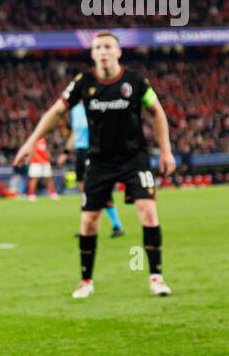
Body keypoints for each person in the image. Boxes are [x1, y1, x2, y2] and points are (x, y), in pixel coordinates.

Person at [15, 32, 175, 298]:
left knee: (148, 212)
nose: (103, 51)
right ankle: (85, 281)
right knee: (88, 221)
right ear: (92, 54)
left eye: (108, 47)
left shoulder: (135, 81)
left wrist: (166, 151)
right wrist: (31, 141)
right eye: (98, 47)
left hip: (134, 158)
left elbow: (157, 111)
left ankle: (156, 277)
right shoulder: (84, 82)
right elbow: (56, 111)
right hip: (99, 160)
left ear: (118, 52)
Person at [71, 101, 123, 236]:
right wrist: (66, 151)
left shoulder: (96, 105)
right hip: (80, 152)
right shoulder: (75, 110)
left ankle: (117, 225)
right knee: (83, 189)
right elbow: (74, 132)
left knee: (101, 189)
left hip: (94, 150)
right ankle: (86, 226)